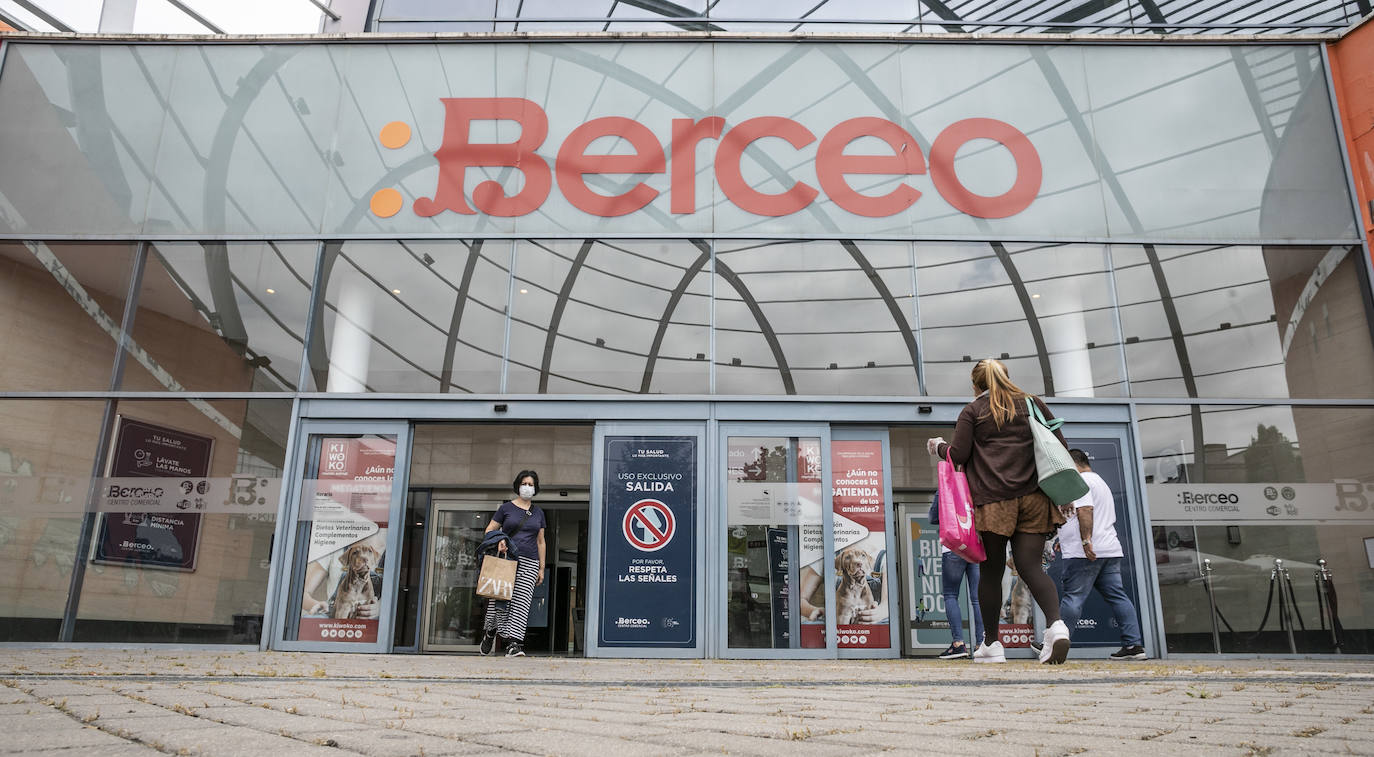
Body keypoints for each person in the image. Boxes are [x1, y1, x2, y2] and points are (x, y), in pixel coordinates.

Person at [927, 358, 1072, 665]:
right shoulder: (1032, 403)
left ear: (975, 384)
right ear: (1006, 378)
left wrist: (938, 446)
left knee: (991, 572)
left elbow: (959, 455)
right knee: (1031, 567)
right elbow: (1058, 444)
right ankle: (1057, 626)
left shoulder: (973, 411)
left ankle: (992, 644)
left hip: (994, 502)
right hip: (1034, 498)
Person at [1056, 449, 1147, 661]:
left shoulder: (1081, 481)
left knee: (1073, 597)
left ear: (1073, 463)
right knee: (1117, 596)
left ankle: (1056, 643)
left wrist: (1086, 541)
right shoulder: (1100, 481)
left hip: (1085, 552)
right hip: (1109, 549)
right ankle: (1133, 645)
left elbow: (1085, 510)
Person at [479, 470, 547, 657]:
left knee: (521, 603)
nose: (527, 487)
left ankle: (513, 644)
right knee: (499, 600)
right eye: (524, 483)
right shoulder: (506, 509)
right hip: (507, 559)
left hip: (530, 562)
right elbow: (489, 529)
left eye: (531, 484)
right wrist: (499, 540)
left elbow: (541, 541)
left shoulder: (538, 512)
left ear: (536, 488)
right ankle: (490, 632)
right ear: (518, 486)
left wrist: (541, 568)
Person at [930, 491, 983, 659]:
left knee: (951, 595)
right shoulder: (974, 486)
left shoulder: (945, 488)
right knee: (977, 598)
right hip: (974, 544)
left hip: (953, 547)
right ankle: (981, 644)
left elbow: (933, 518)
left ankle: (958, 644)